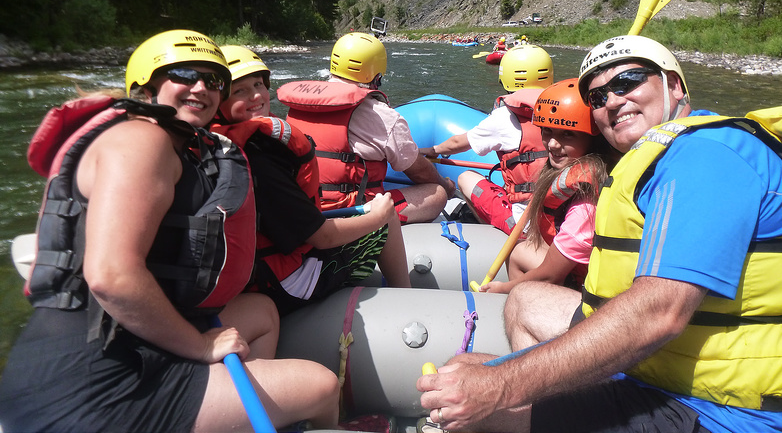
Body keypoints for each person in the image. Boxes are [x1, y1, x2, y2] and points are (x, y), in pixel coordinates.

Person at [417, 35, 782, 433]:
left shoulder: (707, 156)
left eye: (627, 82)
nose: (612, 101)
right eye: (597, 98)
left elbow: (659, 313)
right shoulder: (660, 156)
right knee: (525, 302)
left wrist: (502, 385)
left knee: (472, 410)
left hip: (721, 413)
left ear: (674, 85)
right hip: (663, 368)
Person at [0, 30, 340, 433]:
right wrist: (201, 346)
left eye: (214, 80)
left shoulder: (176, 145)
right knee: (322, 386)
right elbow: (112, 277)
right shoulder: (142, 140)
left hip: (132, 338)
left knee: (260, 312)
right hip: (97, 383)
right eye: (184, 74)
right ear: (146, 87)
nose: (202, 87)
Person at [212, 45, 410, 317]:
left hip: (254, 273)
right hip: (286, 283)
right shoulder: (259, 159)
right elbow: (321, 237)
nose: (256, 95)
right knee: (385, 219)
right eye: (240, 90)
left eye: (258, 84)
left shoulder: (215, 145)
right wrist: (379, 216)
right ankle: (408, 299)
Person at [277, 32, 455, 223]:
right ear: (377, 77)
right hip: (346, 213)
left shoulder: (302, 103)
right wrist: (447, 186)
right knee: (436, 193)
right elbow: (419, 172)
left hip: (300, 203)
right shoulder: (381, 115)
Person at [479, 78, 614, 294]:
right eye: (547, 131)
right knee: (519, 252)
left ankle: (521, 307)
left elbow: (551, 275)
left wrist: (503, 288)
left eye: (567, 134)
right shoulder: (572, 170)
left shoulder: (585, 204)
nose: (552, 144)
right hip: (577, 268)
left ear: (592, 139)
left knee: (520, 259)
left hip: (586, 288)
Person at [420, 44, 554, 235]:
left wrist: (433, 150)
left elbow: (457, 143)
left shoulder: (505, 117)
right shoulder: (564, 112)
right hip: (559, 218)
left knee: (465, 178)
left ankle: (492, 232)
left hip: (524, 225)